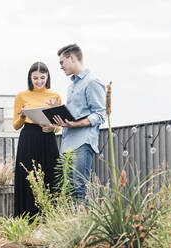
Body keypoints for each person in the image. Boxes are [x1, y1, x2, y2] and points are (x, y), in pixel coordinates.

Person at [54, 44, 106, 201]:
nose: (61, 67)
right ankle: (71, 224)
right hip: (67, 144)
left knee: (79, 189)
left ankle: (82, 223)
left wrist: (74, 124)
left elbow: (100, 114)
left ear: (72, 58)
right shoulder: (71, 87)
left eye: (62, 62)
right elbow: (73, 115)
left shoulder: (92, 82)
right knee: (69, 191)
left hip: (82, 144)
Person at [13, 62, 62, 217]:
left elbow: (60, 124)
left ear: (47, 77)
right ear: (30, 77)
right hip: (28, 138)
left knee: (51, 176)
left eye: (42, 77)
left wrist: (53, 128)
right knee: (28, 176)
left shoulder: (55, 96)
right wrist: (22, 116)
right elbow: (15, 125)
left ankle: (50, 217)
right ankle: (27, 217)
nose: (39, 81)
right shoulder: (21, 96)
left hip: (48, 138)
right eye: (35, 78)